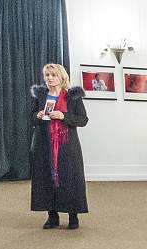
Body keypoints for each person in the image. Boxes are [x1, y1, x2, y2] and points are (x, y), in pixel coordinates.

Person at [30, 64, 88, 230]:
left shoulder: (73, 96)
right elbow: (31, 119)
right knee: (47, 178)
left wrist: (64, 116)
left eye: (53, 75)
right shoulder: (40, 96)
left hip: (67, 146)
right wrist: (38, 115)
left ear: (61, 77)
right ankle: (52, 216)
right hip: (45, 145)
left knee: (69, 178)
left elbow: (83, 120)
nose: (49, 78)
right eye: (47, 75)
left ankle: (73, 215)